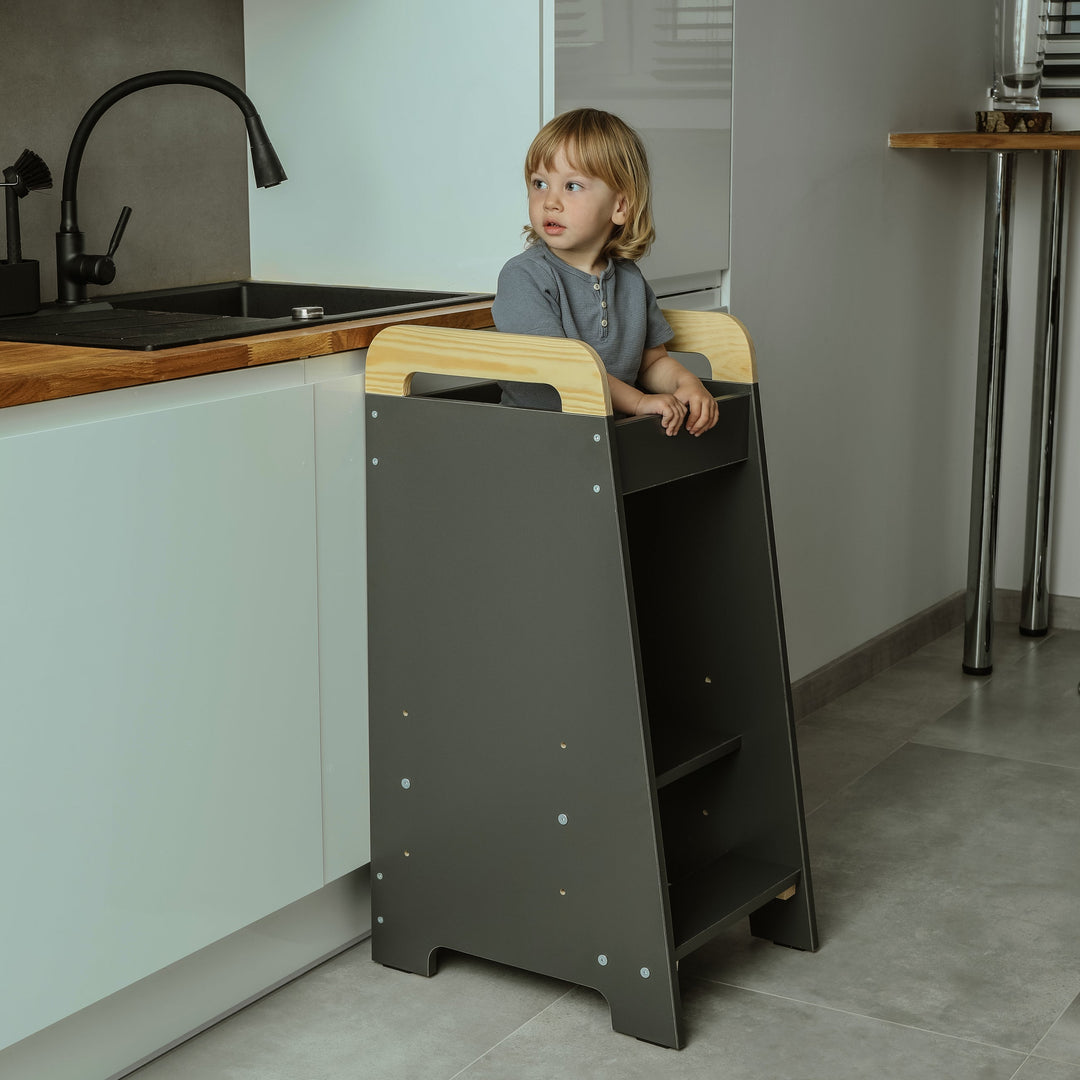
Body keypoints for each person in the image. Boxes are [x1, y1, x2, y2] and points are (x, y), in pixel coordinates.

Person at [492, 108, 719, 437]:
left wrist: (688, 384)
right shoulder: (524, 277)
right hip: (537, 438)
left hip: (603, 438)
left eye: (572, 186)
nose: (550, 201)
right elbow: (566, 369)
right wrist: (638, 402)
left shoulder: (630, 280)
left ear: (620, 207)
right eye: (540, 183)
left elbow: (652, 363)